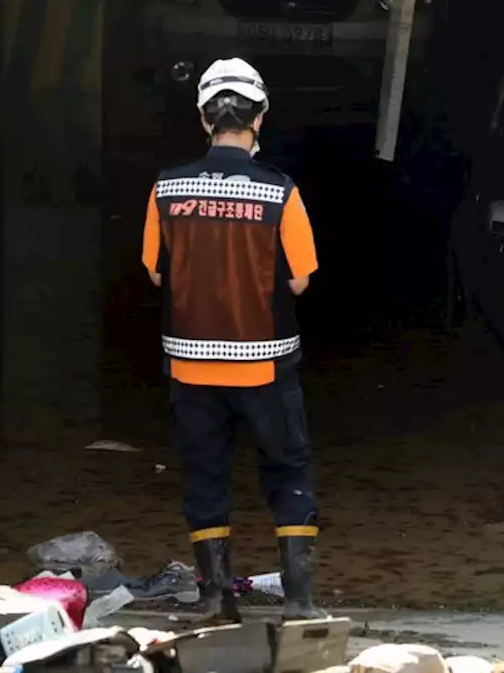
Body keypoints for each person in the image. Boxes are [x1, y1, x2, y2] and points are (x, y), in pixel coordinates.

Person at [141, 57, 322, 623]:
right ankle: (297, 602)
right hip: (264, 367)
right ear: (259, 118)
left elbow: (155, 272)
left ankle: (217, 599)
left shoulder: (166, 188)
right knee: (287, 471)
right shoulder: (280, 192)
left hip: (191, 367)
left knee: (204, 476)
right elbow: (300, 278)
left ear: (204, 119)